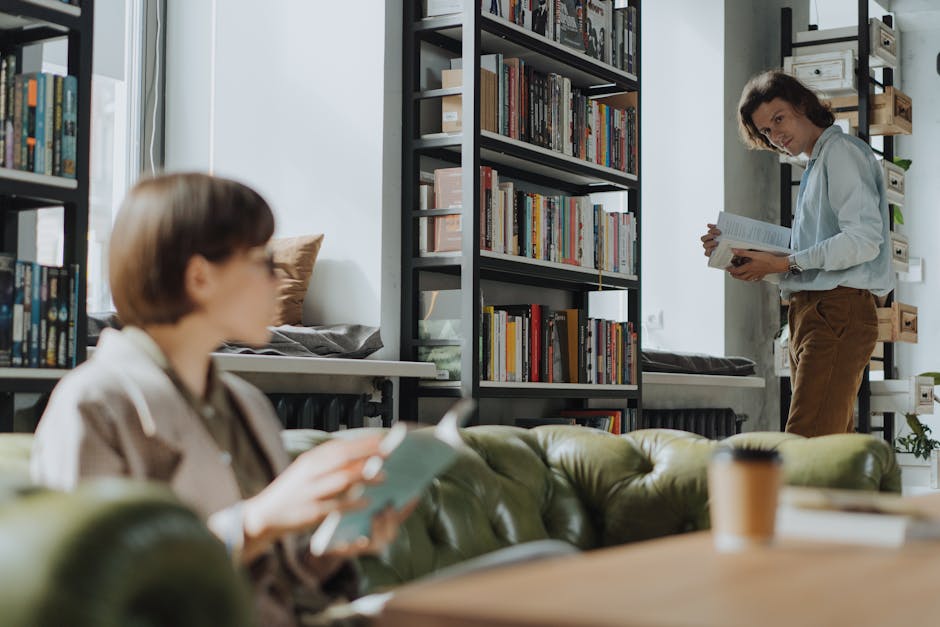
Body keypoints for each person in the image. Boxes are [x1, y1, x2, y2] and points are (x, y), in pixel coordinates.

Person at [31, 173, 413, 626]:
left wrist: (326, 553)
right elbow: (93, 593)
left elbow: (270, 583)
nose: (279, 282)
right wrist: (255, 522)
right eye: (262, 263)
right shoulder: (94, 404)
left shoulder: (245, 403)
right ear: (199, 277)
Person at [701, 70, 893, 437]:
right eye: (766, 131)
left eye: (779, 119)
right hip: (813, 310)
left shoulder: (840, 153)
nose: (776, 135)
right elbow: (812, 253)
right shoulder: (816, 164)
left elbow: (865, 239)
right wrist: (742, 252)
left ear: (803, 105)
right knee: (830, 447)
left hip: (836, 309)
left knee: (806, 441)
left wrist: (785, 262)